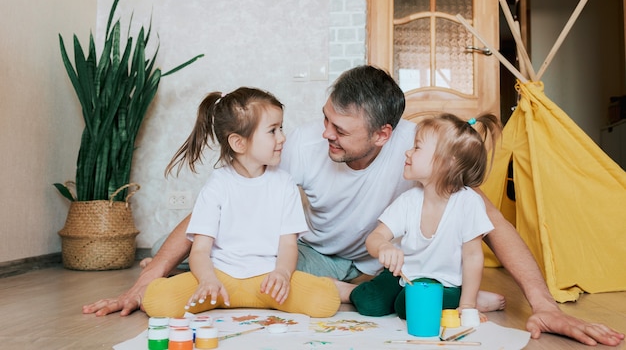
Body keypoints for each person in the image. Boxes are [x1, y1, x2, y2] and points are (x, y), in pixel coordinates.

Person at [83, 66, 624, 347]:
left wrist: (543, 304)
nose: (325, 135)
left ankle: (437, 293)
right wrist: (147, 276)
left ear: (386, 135)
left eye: (340, 130)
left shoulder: (420, 149)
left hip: (380, 265)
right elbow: (210, 210)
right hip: (313, 256)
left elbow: (489, 222)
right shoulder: (300, 145)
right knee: (220, 263)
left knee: (396, 288)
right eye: (324, 119)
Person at [140, 87, 340, 318]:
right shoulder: (217, 186)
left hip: (267, 281)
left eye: (281, 128)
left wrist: (282, 275)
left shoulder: (285, 184)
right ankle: (210, 294)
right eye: (273, 131)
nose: (282, 137)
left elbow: (288, 246)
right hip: (219, 278)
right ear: (238, 143)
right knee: (157, 301)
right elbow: (200, 250)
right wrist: (207, 280)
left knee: (325, 301)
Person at [349, 113, 502, 320]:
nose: (408, 152)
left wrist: (467, 305)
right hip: (402, 275)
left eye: (417, 147)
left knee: (407, 305)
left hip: (442, 282)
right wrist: (384, 246)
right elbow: (374, 238)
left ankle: (469, 298)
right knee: (369, 302)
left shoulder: (468, 203)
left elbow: (473, 256)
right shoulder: (408, 200)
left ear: (447, 162)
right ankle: (346, 291)